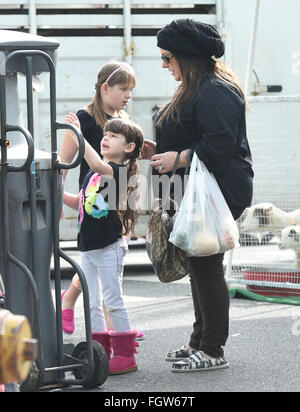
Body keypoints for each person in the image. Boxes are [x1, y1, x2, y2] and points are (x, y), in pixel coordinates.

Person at [142, 19, 253, 372]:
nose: (164, 65)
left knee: (206, 268)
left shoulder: (216, 89)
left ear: (185, 56)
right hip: (195, 191)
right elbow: (191, 132)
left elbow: (218, 146)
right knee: (199, 266)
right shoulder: (198, 85)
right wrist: (158, 151)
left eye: (166, 57)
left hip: (216, 192)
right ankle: (199, 341)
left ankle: (212, 349)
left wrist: (176, 157)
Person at [59, 62, 144, 340]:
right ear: (105, 88)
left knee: (107, 274)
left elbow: (130, 171)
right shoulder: (83, 119)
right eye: (123, 89)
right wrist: (55, 200)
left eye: (131, 90)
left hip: (114, 203)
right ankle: (109, 331)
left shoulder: (124, 119)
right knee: (98, 270)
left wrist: (131, 210)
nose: (128, 94)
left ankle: (117, 331)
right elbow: (63, 164)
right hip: (92, 197)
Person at [63, 116, 144, 374]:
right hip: (89, 246)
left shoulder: (116, 171)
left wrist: (77, 134)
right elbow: (80, 201)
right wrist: (57, 194)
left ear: (129, 147)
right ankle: (100, 350)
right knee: (92, 301)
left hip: (109, 246)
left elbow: (96, 162)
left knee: (113, 299)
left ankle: (125, 355)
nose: (105, 138)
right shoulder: (95, 174)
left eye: (113, 136)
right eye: (105, 134)